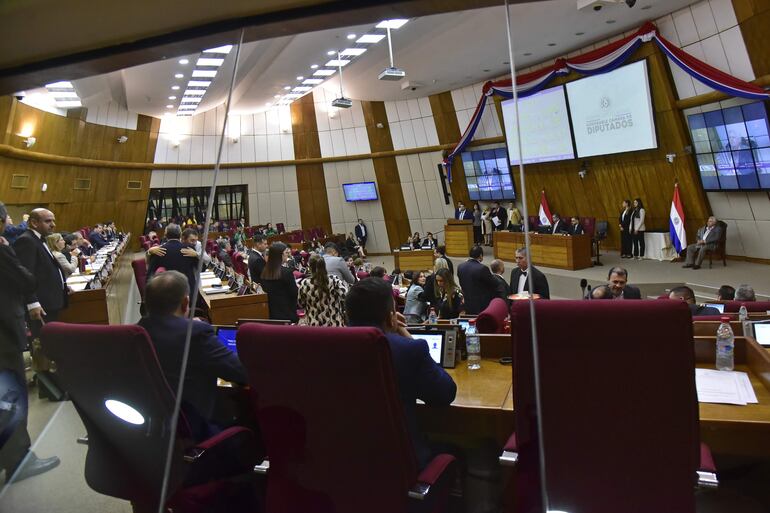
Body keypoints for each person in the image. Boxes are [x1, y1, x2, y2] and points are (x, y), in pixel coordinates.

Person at [345, 278, 456, 469]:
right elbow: (445, 393)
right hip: (401, 467)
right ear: (390, 316)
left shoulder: (329, 348)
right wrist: (404, 333)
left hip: (346, 464)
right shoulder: (408, 350)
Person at [138, 270, 247, 441]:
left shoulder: (137, 331)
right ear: (185, 302)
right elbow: (240, 371)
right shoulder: (195, 333)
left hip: (152, 431)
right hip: (195, 431)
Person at [0, 202, 60, 483]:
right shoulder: (10, 246)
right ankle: (19, 461)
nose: (10, 223)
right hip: (4, 336)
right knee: (10, 395)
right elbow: (26, 279)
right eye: (7, 219)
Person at [13, 208, 68, 332]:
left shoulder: (38, 238)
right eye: (48, 221)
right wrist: (32, 302)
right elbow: (25, 275)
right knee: (43, 344)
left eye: (53, 221)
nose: (53, 225)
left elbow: (46, 269)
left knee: (53, 341)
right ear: (34, 223)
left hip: (50, 301)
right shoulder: (26, 240)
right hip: (41, 304)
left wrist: (62, 284)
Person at [146, 223, 198, 300]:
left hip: (168, 294)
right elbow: (200, 268)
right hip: (189, 293)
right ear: (180, 235)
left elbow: (149, 274)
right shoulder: (190, 249)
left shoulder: (159, 251)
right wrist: (197, 255)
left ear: (165, 235)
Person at [298, 255, 347, 327]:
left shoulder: (305, 283)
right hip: (334, 324)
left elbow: (301, 303)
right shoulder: (334, 280)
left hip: (314, 325)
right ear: (324, 265)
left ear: (310, 267)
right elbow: (345, 297)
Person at [261, 242, 299, 323]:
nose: (287, 255)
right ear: (280, 255)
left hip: (272, 314)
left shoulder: (264, 271)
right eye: (286, 253)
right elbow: (294, 293)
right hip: (288, 314)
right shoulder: (286, 272)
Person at [457, 245, 500, 315]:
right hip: (481, 306)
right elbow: (495, 283)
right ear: (480, 256)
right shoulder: (482, 268)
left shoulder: (460, 267)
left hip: (467, 304)